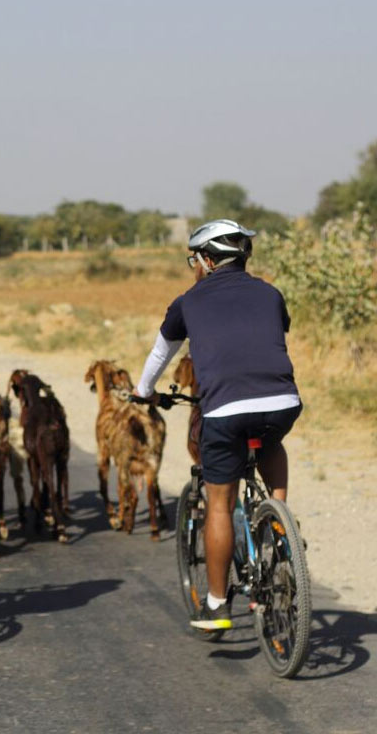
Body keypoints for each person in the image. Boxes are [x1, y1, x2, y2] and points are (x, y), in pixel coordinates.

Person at [134, 220, 301, 631]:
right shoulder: (270, 293)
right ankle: (280, 529)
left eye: (194, 259)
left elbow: (159, 357)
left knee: (220, 505)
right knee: (270, 441)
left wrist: (144, 392)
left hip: (225, 412)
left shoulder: (187, 302)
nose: (193, 267)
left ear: (207, 260)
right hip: (283, 403)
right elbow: (271, 334)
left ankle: (216, 604)